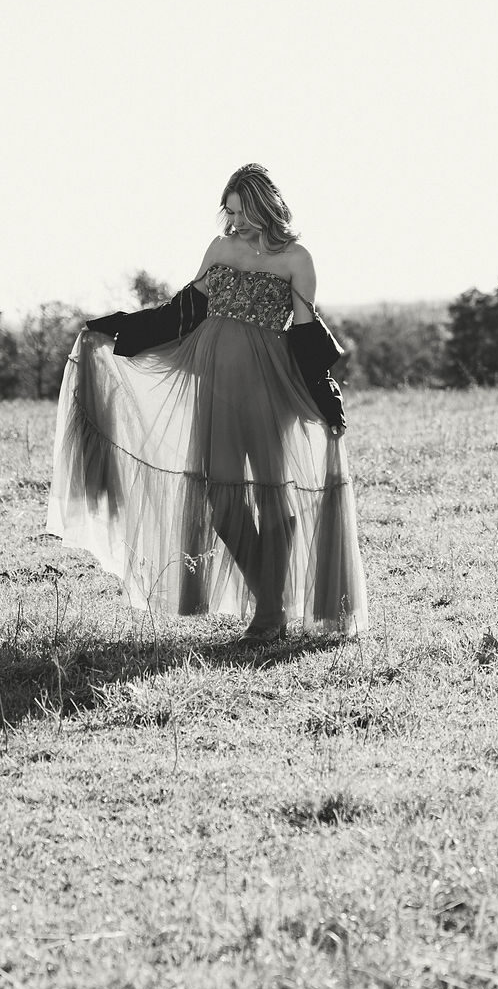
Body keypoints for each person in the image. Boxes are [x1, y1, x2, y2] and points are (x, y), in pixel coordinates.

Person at [46, 164, 368, 645]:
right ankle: (272, 603)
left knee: (272, 496)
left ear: (265, 207)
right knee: (220, 501)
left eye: (241, 213)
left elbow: (304, 334)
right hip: (214, 384)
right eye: (229, 212)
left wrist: (324, 395)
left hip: (268, 387)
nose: (233, 222)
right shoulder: (219, 249)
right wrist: (115, 328)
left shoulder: (296, 258)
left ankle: (267, 617)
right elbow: (183, 312)